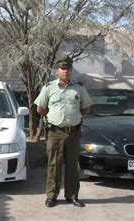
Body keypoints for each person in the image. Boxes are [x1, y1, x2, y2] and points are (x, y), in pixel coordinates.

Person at [34, 55, 93, 208]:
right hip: (55, 132)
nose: (65, 71)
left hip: (73, 133)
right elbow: (40, 108)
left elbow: (86, 109)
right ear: (57, 70)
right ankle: (52, 195)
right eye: (62, 68)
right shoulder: (49, 88)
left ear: (71, 71)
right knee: (54, 164)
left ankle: (72, 196)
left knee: (73, 165)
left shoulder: (79, 88)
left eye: (68, 69)